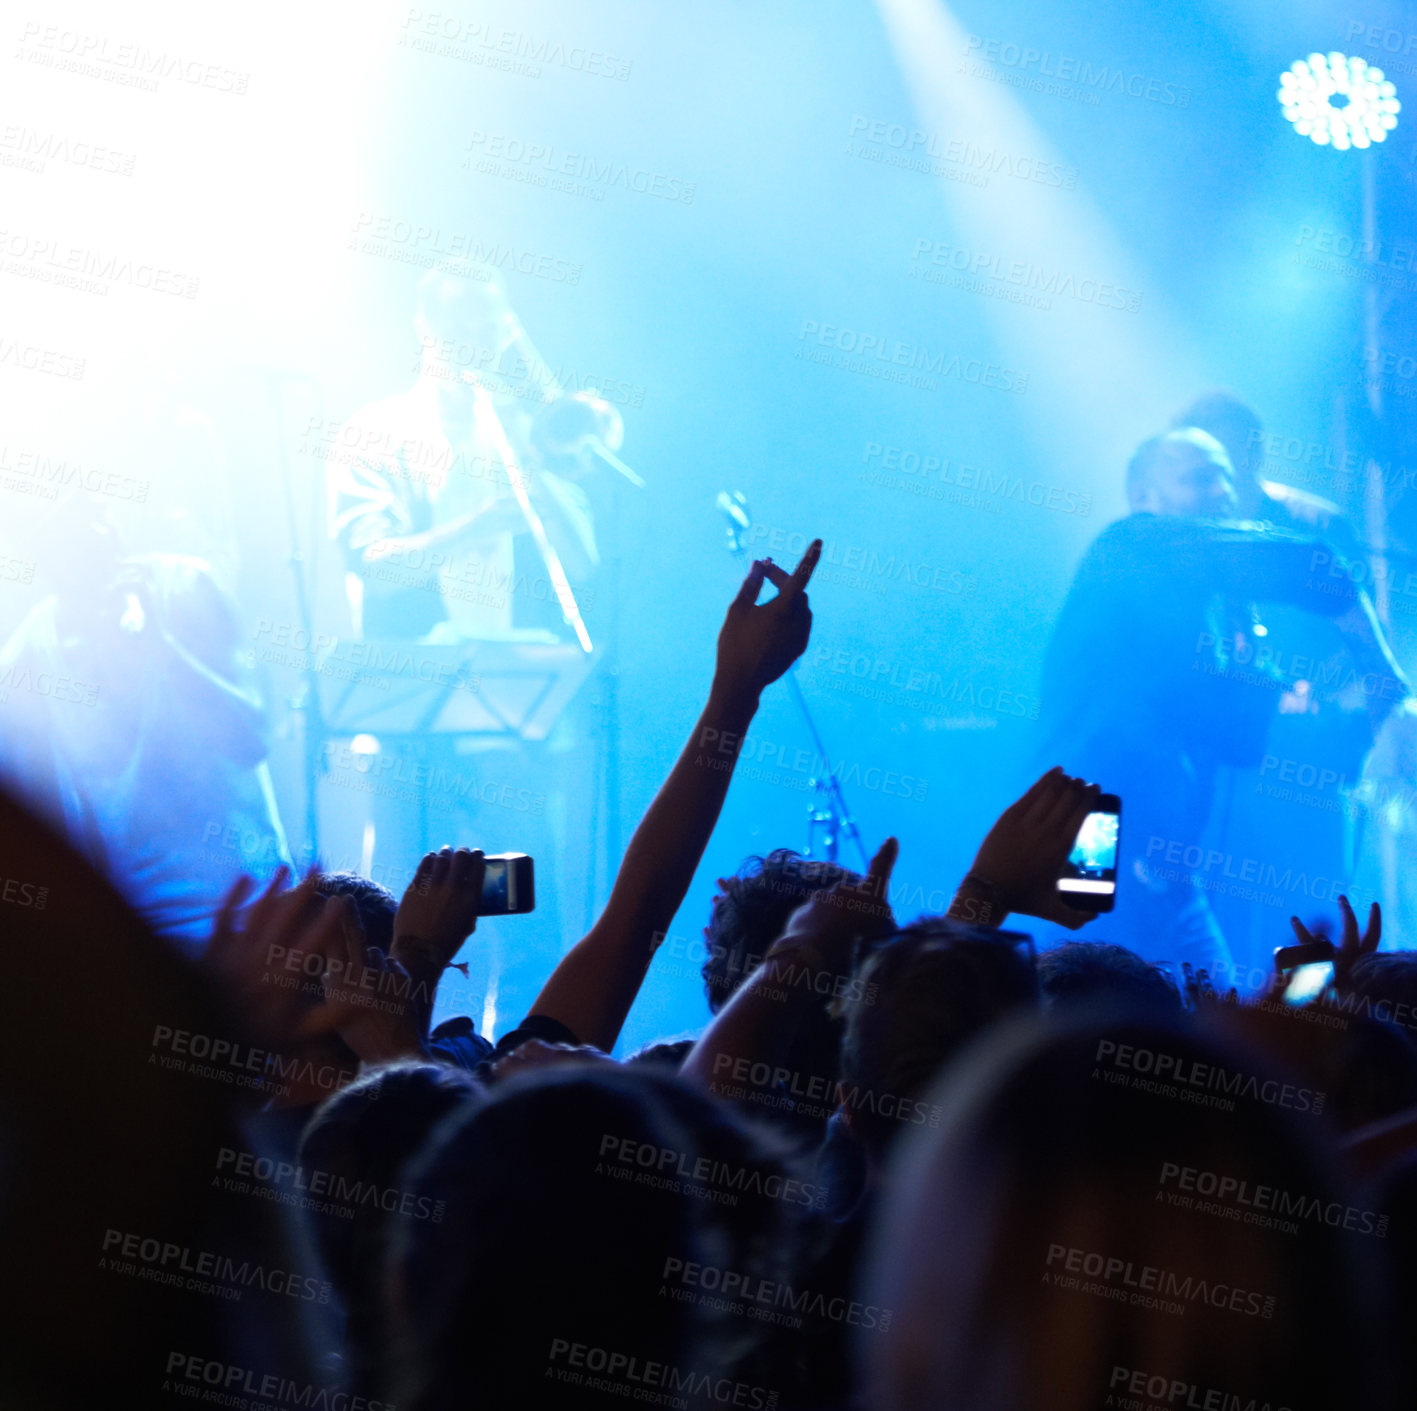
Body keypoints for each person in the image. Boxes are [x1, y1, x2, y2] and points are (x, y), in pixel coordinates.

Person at [1038, 427, 1408, 975]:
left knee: (1211, 1011)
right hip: (1090, 832)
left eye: (1227, 479)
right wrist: (1388, 683)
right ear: (1143, 497)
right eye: (1199, 478)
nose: (1222, 492)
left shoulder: (1210, 616)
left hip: (1166, 866)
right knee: (1088, 989)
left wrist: (1365, 730)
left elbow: (1242, 724)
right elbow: (1309, 566)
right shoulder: (1128, 545)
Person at [0, 497, 292, 948]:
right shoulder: (30, 657)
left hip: (257, 908)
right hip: (147, 931)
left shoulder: (185, 589)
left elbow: (250, 738)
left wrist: (165, 652)